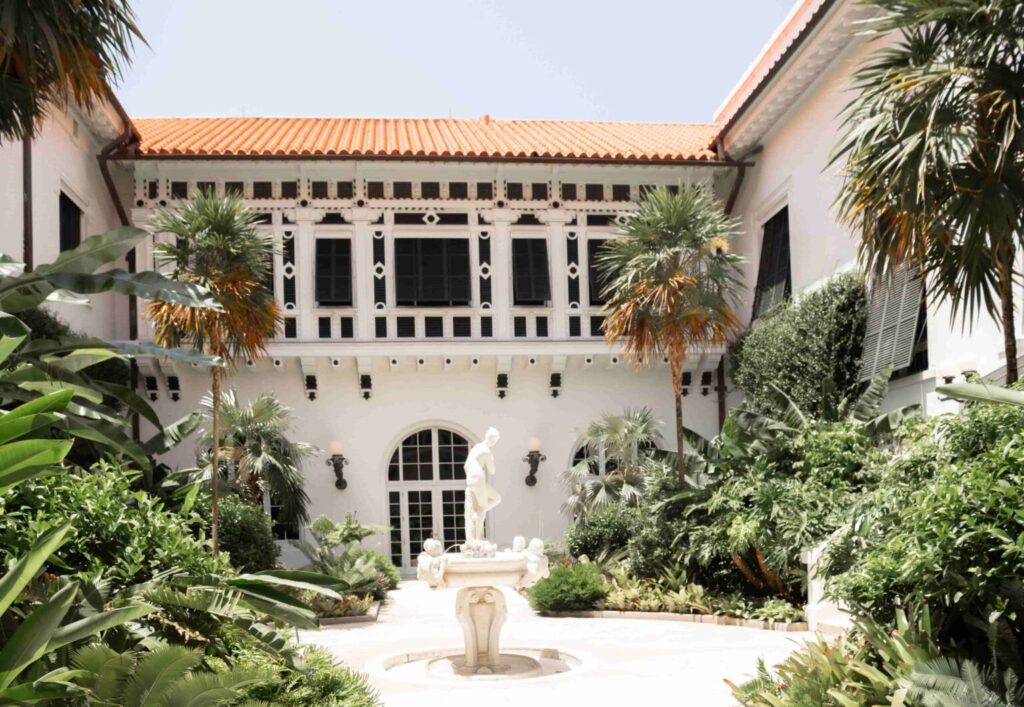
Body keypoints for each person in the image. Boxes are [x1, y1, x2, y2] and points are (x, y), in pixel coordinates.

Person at [464, 427, 501, 541]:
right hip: (479, 477)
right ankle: (477, 538)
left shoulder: (476, 447)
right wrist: (491, 459)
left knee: (493, 499)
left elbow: (465, 466)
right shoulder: (486, 451)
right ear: (493, 440)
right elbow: (492, 471)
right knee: (488, 504)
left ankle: (477, 518)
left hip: (471, 478)